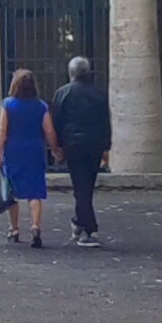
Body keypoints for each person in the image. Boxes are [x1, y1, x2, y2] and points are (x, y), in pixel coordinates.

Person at [0, 68, 60, 248]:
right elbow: (49, 130)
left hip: (13, 151)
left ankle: (14, 228)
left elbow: (1, 131)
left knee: (11, 191)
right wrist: (55, 148)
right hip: (34, 150)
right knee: (35, 191)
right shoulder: (41, 106)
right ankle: (35, 227)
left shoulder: (8, 104)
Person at [50, 56, 113, 247]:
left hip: (73, 144)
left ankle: (89, 229)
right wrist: (106, 146)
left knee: (80, 187)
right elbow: (105, 121)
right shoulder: (99, 93)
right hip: (94, 144)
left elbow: (56, 121)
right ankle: (79, 221)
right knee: (86, 186)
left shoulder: (63, 93)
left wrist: (57, 146)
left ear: (71, 73)